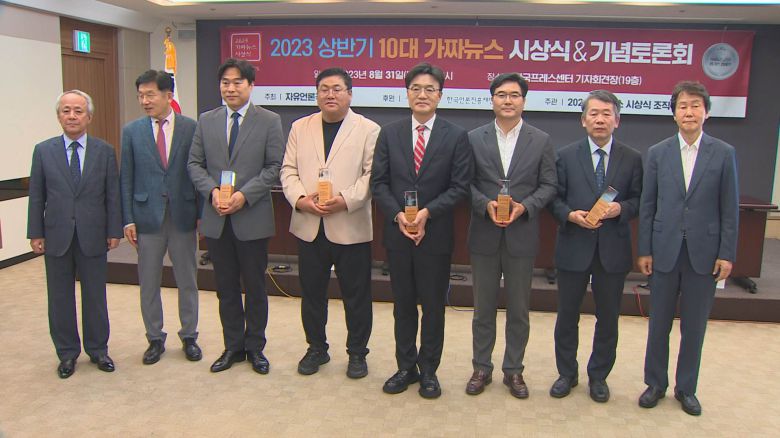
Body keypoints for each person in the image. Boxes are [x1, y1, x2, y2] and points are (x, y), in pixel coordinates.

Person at [371, 62, 473, 399]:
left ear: (440, 95)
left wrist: (428, 213)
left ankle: (429, 370)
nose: (422, 94)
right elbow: (379, 183)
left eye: (430, 89)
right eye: (416, 88)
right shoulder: (389, 133)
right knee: (402, 305)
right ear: (407, 93)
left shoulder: (456, 136)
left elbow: (460, 187)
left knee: (432, 307)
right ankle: (405, 367)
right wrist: (398, 215)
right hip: (398, 234)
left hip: (436, 235)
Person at [637, 81, 738, 416]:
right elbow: (648, 205)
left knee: (694, 326)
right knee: (658, 324)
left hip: (704, 254)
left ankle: (686, 388)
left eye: (696, 105)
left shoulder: (723, 153)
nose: (689, 111)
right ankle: (655, 383)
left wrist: (726, 253)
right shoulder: (658, 152)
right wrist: (645, 249)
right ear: (674, 114)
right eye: (683, 106)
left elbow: (729, 208)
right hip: (663, 250)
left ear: (706, 112)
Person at [281, 67, 379, 379]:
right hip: (310, 224)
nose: (330, 94)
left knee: (356, 295)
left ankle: (357, 353)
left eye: (337, 89)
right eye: (324, 89)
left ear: (350, 94)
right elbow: (288, 170)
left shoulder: (368, 129)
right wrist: (300, 200)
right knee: (312, 293)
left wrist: (345, 200)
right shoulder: (300, 127)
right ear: (317, 94)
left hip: (349, 224)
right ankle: (316, 348)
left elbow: (371, 175)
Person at [187, 58, 284, 374]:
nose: (230, 88)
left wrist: (244, 195)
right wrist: (213, 191)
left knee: (255, 287)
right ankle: (233, 347)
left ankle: (255, 348)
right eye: (225, 82)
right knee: (225, 287)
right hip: (217, 218)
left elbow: (274, 166)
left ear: (251, 85)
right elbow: (194, 164)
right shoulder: (207, 120)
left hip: (252, 217)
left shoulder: (268, 120)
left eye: (237, 82)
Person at [465, 73, 557, 399]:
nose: (508, 100)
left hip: (522, 234)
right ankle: (481, 367)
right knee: (483, 309)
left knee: (519, 310)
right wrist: (484, 204)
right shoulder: (473, 138)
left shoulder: (541, 140)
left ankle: (514, 370)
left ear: (524, 101)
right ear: (492, 99)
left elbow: (549, 185)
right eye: (501, 94)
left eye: (514, 95)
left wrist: (525, 207)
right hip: (484, 234)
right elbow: (465, 183)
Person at [548, 90, 642, 402]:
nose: (600, 119)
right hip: (573, 245)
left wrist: (621, 209)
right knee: (567, 315)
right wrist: (569, 215)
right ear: (583, 120)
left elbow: (640, 199)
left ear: (617, 120)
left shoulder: (632, 158)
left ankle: (599, 376)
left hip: (612, 249)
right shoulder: (565, 155)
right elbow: (554, 199)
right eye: (594, 114)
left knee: (608, 317)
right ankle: (567, 373)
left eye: (606, 114)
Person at [27, 90, 122, 378]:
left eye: (78, 111)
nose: (72, 116)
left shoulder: (104, 151)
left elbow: (112, 195)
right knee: (59, 298)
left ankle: (98, 349)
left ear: (89, 117)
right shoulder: (43, 151)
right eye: (66, 110)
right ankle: (67, 353)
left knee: (95, 296)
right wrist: (35, 232)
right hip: (56, 235)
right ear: (58, 116)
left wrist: (114, 230)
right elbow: (37, 196)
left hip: (94, 235)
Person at [120, 70, 201, 365]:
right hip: (146, 217)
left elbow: (198, 172)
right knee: (149, 281)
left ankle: (189, 335)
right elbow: (126, 177)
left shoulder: (191, 128)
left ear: (168, 95)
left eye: (150, 95)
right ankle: (154, 338)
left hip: (183, 215)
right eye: (140, 95)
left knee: (187, 280)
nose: (144, 101)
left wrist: (201, 213)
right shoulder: (132, 131)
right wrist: (128, 219)